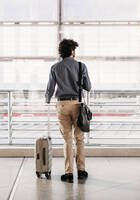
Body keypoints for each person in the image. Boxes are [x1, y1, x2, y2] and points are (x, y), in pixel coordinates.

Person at [45, 39, 91, 183]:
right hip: (77, 104)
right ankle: (81, 171)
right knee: (79, 139)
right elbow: (88, 87)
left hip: (62, 105)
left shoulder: (55, 67)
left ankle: (68, 173)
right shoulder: (81, 66)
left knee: (67, 140)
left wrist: (47, 98)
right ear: (72, 51)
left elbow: (50, 88)